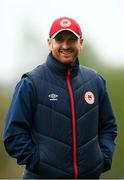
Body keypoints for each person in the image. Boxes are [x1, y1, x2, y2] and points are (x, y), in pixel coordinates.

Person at [3, 17, 117, 179]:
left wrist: (103, 159)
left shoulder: (95, 81)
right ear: (50, 43)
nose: (65, 45)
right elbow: (14, 134)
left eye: (72, 40)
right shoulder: (31, 83)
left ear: (81, 43)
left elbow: (108, 126)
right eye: (59, 40)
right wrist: (39, 163)